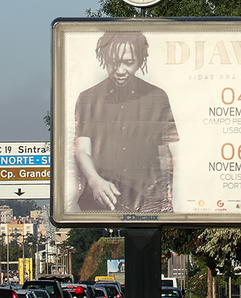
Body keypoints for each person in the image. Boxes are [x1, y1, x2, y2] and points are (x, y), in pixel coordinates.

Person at [74, 31, 179, 213]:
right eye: (114, 63)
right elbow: (81, 149)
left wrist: (167, 198)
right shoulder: (88, 98)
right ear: (105, 59)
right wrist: (95, 180)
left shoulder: (157, 97)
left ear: (140, 60)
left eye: (129, 63)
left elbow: (166, 153)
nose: (120, 71)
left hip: (149, 201)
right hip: (100, 199)